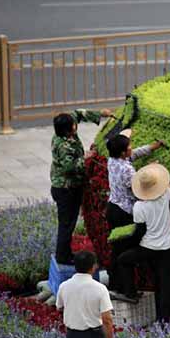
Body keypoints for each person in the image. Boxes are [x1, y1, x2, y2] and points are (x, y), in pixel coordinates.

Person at [51, 109, 113, 264]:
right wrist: (85, 157)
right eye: (73, 125)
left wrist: (101, 114)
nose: (75, 125)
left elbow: (78, 113)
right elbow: (69, 168)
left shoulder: (65, 128)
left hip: (70, 187)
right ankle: (63, 256)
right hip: (66, 189)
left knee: (68, 222)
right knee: (67, 224)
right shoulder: (64, 146)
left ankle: (65, 254)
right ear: (68, 130)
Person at [116, 163, 170, 321]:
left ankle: (130, 291)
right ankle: (163, 320)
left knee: (123, 260)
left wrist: (130, 243)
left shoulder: (139, 207)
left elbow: (140, 231)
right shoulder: (164, 195)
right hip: (168, 248)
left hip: (148, 248)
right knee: (165, 284)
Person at [105, 134, 163, 296]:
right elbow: (140, 190)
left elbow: (135, 153)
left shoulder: (113, 160)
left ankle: (115, 285)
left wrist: (153, 146)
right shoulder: (127, 170)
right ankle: (128, 291)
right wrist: (150, 170)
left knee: (117, 250)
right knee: (126, 253)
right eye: (129, 147)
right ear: (123, 153)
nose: (132, 148)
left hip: (113, 209)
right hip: (124, 214)